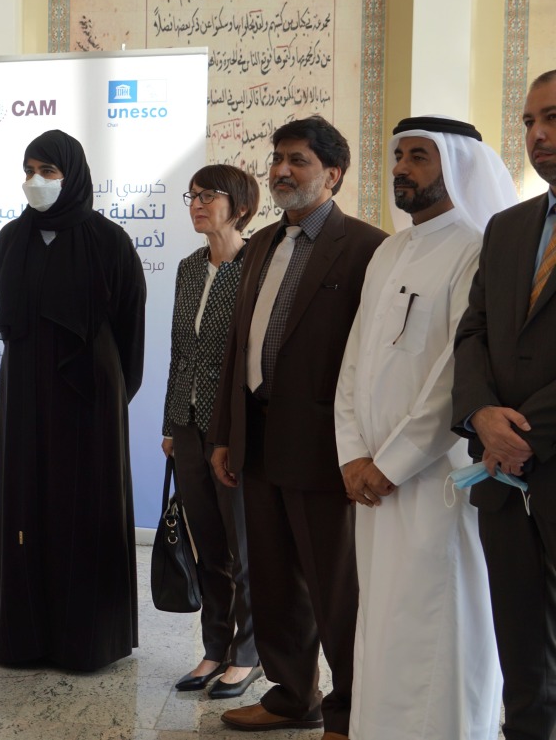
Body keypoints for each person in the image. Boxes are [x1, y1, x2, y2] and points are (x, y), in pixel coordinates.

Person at [208, 116, 386, 738]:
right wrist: (227, 433)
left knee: (336, 588)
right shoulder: (259, 245)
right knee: (274, 578)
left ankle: (348, 708)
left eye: (299, 160)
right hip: (256, 440)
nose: (281, 170)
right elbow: (238, 346)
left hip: (323, 446)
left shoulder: (368, 247)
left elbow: (375, 359)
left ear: (333, 174)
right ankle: (291, 696)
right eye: (277, 158)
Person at [336, 116, 514, 739]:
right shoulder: (388, 250)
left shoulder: (473, 246)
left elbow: (455, 374)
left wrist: (391, 462)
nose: (403, 169)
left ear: (455, 165)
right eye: (399, 156)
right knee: (382, 625)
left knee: (435, 623)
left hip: (434, 480)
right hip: (372, 483)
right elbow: (355, 357)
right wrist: (353, 454)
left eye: (420, 157)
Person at [0, 129, 146, 672]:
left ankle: (87, 640)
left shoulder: (110, 241)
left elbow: (129, 329)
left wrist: (112, 394)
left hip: (89, 398)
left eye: (49, 172)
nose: (36, 182)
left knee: (84, 507)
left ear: (72, 175)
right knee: (27, 501)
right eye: (29, 169)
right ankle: (23, 636)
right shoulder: (12, 237)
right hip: (25, 392)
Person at [453, 69, 556, 740]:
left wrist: (527, 430)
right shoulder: (510, 226)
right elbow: (475, 332)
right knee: (523, 664)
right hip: (502, 481)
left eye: (552, 117)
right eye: (527, 121)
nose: (538, 134)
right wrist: (481, 415)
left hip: (539, 455)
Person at [162, 165, 261, 697]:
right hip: (189, 425)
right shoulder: (186, 267)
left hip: (233, 429)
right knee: (207, 547)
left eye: (208, 196)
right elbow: (181, 350)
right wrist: (170, 423)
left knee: (243, 545)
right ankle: (214, 648)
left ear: (240, 206)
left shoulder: (257, 266)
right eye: (192, 196)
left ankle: (249, 653)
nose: (197, 204)